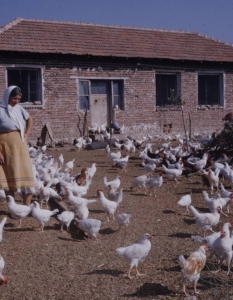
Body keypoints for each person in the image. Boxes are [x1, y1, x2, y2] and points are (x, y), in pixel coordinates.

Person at [0, 86, 35, 205]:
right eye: (14, 98)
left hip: (20, 145)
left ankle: (27, 206)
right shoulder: (0, 109)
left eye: (19, 99)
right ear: (7, 96)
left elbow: (30, 119)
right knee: (8, 173)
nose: (16, 101)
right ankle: (12, 206)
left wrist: (26, 134)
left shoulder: (19, 109)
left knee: (26, 172)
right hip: (4, 147)